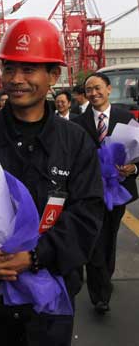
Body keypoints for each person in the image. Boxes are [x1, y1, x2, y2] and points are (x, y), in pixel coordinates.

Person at [0, 17, 104, 346]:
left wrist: (34, 256)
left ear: (53, 75)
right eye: (10, 69)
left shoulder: (75, 141)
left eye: (28, 70)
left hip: (52, 295)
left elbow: (88, 213)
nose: (17, 79)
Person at [72, 72, 138, 314]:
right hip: (89, 193)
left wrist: (133, 168)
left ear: (108, 89)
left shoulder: (126, 118)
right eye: (89, 89)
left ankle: (104, 277)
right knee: (94, 238)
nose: (94, 93)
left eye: (98, 88)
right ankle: (99, 295)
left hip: (118, 191)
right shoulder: (77, 123)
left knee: (109, 238)